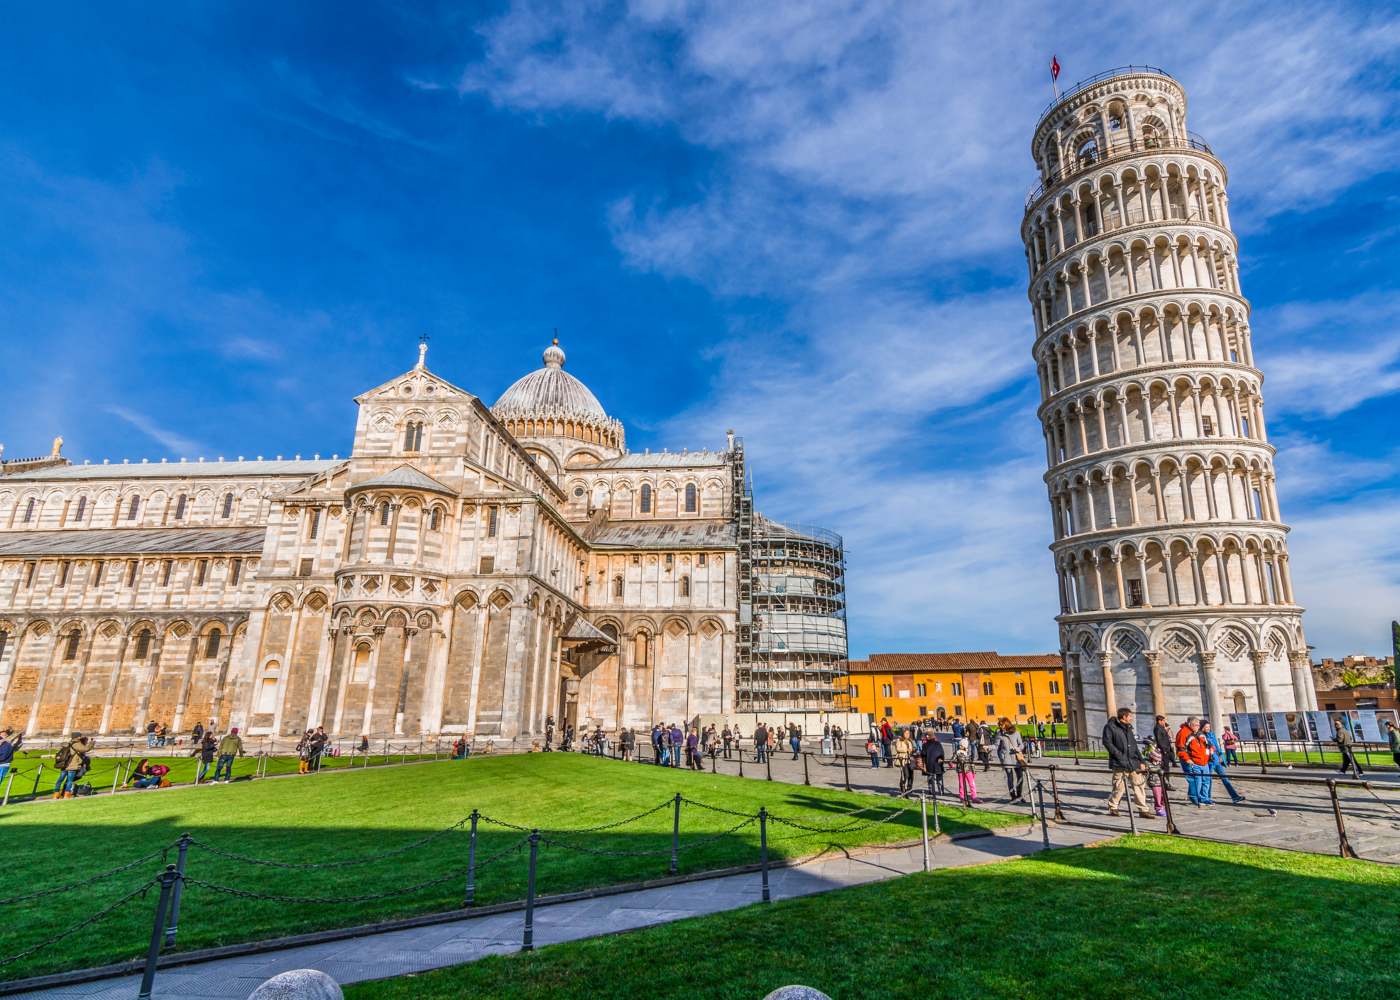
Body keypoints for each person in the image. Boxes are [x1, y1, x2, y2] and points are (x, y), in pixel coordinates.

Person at [1101, 707, 1153, 818]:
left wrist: (1142, 761)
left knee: (1139, 786)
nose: (1131, 718)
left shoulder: (1129, 728)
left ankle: (1143, 810)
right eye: (1130, 716)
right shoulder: (1111, 727)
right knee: (1119, 787)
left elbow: (1134, 747)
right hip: (1120, 763)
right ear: (1124, 717)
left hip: (1134, 763)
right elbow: (1107, 743)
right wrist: (1120, 756)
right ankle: (1113, 807)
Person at [1201, 721, 1245, 804]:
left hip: (1216, 760)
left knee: (1225, 778)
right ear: (1202, 727)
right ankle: (1207, 798)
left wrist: (1221, 755)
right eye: (1206, 727)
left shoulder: (1211, 734)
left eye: (1209, 727)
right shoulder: (1201, 736)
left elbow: (1217, 746)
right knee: (1208, 780)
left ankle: (1235, 796)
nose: (1208, 728)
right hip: (1209, 761)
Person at [1179, 719, 1215, 806]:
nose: (1197, 727)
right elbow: (1181, 749)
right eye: (1195, 725)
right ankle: (1196, 798)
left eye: (1198, 725)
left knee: (1206, 781)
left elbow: (1210, 744)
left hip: (1205, 762)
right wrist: (1187, 759)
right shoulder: (1187, 735)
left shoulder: (1201, 735)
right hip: (1195, 762)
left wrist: (1212, 749)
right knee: (1197, 781)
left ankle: (1204, 798)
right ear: (1190, 725)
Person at [995, 717, 1028, 802]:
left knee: (1020, 777)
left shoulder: (1016, 733)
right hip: (1007, 758)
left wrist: (1018, 748)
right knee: (1010, 778)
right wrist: (988, 747)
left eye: (1001, 724)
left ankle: (1019, 795)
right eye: (999, 725)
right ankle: (1013, 795)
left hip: (1017, 758)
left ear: (1006, 724)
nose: (1000, 726)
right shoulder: (999, 734)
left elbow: (1021, 745)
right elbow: (996, 746)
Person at [53, 732, 93, 798]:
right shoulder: (76, 744)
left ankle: (56, 793)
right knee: (69, 781)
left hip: (65, 765)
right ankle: (67, 794)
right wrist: (92, 743)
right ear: (77, 737)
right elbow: (86, 749)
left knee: (60, 779)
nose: (80, 737)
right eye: (80, 736)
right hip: (72, 765)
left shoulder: (70, 743)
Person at [1142, 741, 1167, 817]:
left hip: (1161, 781)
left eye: (1158, 760)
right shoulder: (1147, 763)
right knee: (1157, 795)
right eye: (1155, 760)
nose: (1157, 761)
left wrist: (1166, 782)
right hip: (1154, 782)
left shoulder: (1159, 764)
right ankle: (1158, 808)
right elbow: (1145, 772)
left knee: (1163, 795)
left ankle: (1162, 807)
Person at [1152, 715, 1175, 790]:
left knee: (1166, 767)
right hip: (1164, 751)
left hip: (1167, 750)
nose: (1164, 722)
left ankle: (1166, 783)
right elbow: (1160, 740)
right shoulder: (1158, 728)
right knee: (1165, 768)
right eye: (1163, 721)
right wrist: (1164, 749)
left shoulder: (1161, 728)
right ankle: (1165, 784)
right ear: (1159, 721)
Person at [952, 735, 978, 803]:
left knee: (972, 783)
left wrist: (973, 771)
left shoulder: (967, 753)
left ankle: (974, 796)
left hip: (968, 770)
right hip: (961, 770)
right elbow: (951, 761)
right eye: (960, 745)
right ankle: (962, 797)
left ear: (965, 746)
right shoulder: (957, 753)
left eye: (962, 745)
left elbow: (971, 762)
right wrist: (952, 765)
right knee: (961, 784)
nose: (960, 746)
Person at [893, 728, 916, 793]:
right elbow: (898, 749)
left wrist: (913, 750)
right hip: (902, 759)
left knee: (911, 775)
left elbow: (912, 749)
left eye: (908, 733)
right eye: (906, 733)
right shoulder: (899, 740)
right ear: (903, 734)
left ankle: (909, 788)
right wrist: (906, 750)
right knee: (905, 775)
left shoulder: (910, 741)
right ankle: (903, 788)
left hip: (909, 759)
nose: (907, 735)